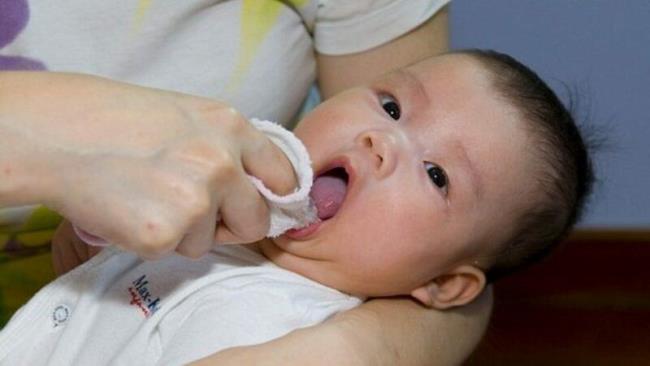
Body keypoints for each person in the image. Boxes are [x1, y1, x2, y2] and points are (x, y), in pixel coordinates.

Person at [0, 50, 593, 365]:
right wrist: (93, 247)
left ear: (443, 283)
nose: (380, 142)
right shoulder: (211, 211)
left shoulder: (281, 334)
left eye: (437, 174)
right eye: (390, 105)